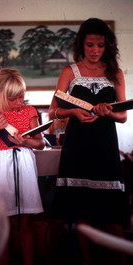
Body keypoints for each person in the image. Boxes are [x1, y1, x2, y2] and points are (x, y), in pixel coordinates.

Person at [49, 18, 129, 265]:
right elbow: (54, 110)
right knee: (81, 210)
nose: (95, 51)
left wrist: (108, 113)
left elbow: (123, 116)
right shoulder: (68, 72)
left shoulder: (115, 73)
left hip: (105, 145)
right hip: (77, 146)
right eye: (90, 45)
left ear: (108, 46)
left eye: (101, 46)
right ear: (81, 45)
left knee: (112, 214)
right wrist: (72, 112)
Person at [0, 68, 45, 265]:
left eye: (21, 96)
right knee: (1, 221)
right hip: (0, 165)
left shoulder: (29, 111)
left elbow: (41, 143)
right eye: (13, 98)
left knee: (26, 220)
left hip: (24, 162)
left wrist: (26, 142)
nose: (19, 102)